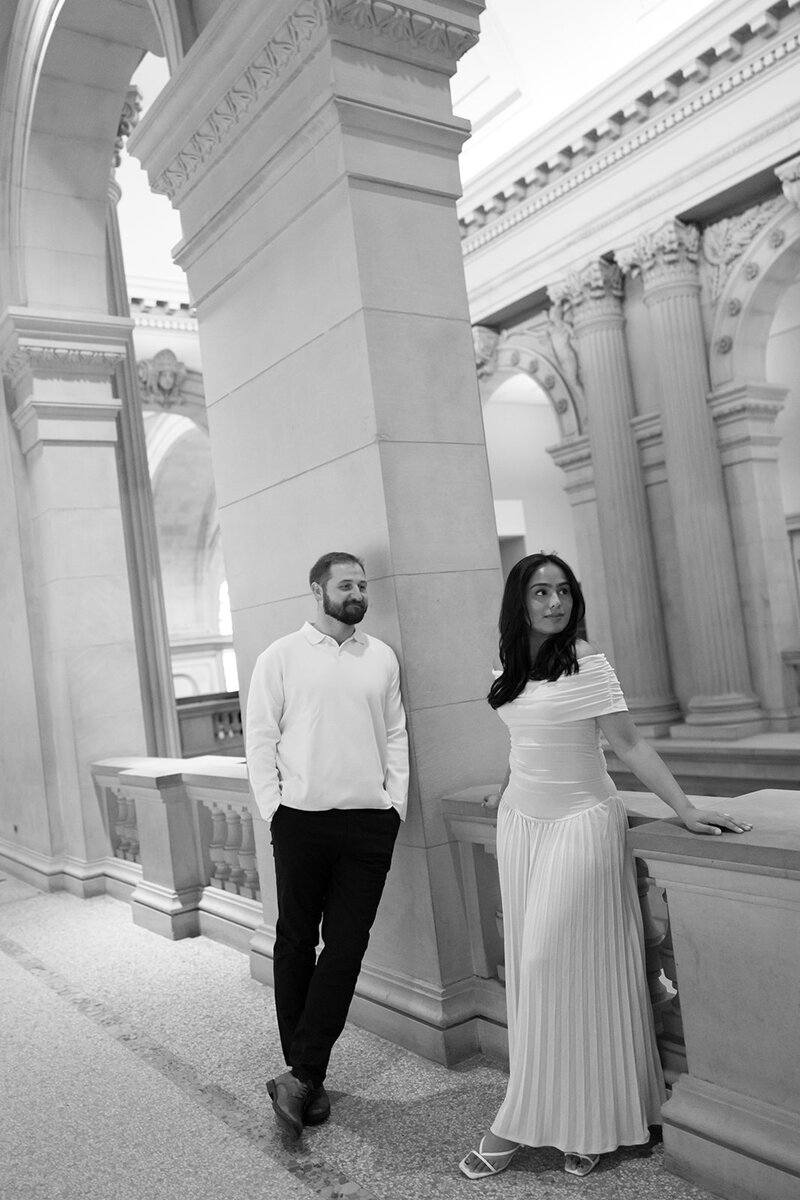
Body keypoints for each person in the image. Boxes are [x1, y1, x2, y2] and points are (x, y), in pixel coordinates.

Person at [459, 553, 751, 1181]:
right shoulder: (508, 666)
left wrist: (687, 810)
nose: (555, 603)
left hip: (581, 823)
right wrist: (504, 785)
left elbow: (629, 744)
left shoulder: (588, 661)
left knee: (554, 963)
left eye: (564, 591)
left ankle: (539, 1120)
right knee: (543, 982)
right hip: (521, 826)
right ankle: (579, 1119)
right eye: (541, 593)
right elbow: (521, 737)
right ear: (521, 602)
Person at [245, 551, 409, 1138]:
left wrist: (395, 805)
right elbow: (260, 737)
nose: (358, 593)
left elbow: (395, 733)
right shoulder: (281, 656)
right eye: (346, 585)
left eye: (363, 584)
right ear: (318, 591)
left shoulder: (381, 655)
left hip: (368, 824)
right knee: (295, 942)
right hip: (302, 821)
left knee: (345, 947)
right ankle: (305, 1072)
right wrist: (275, 812)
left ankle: (302, 1074)